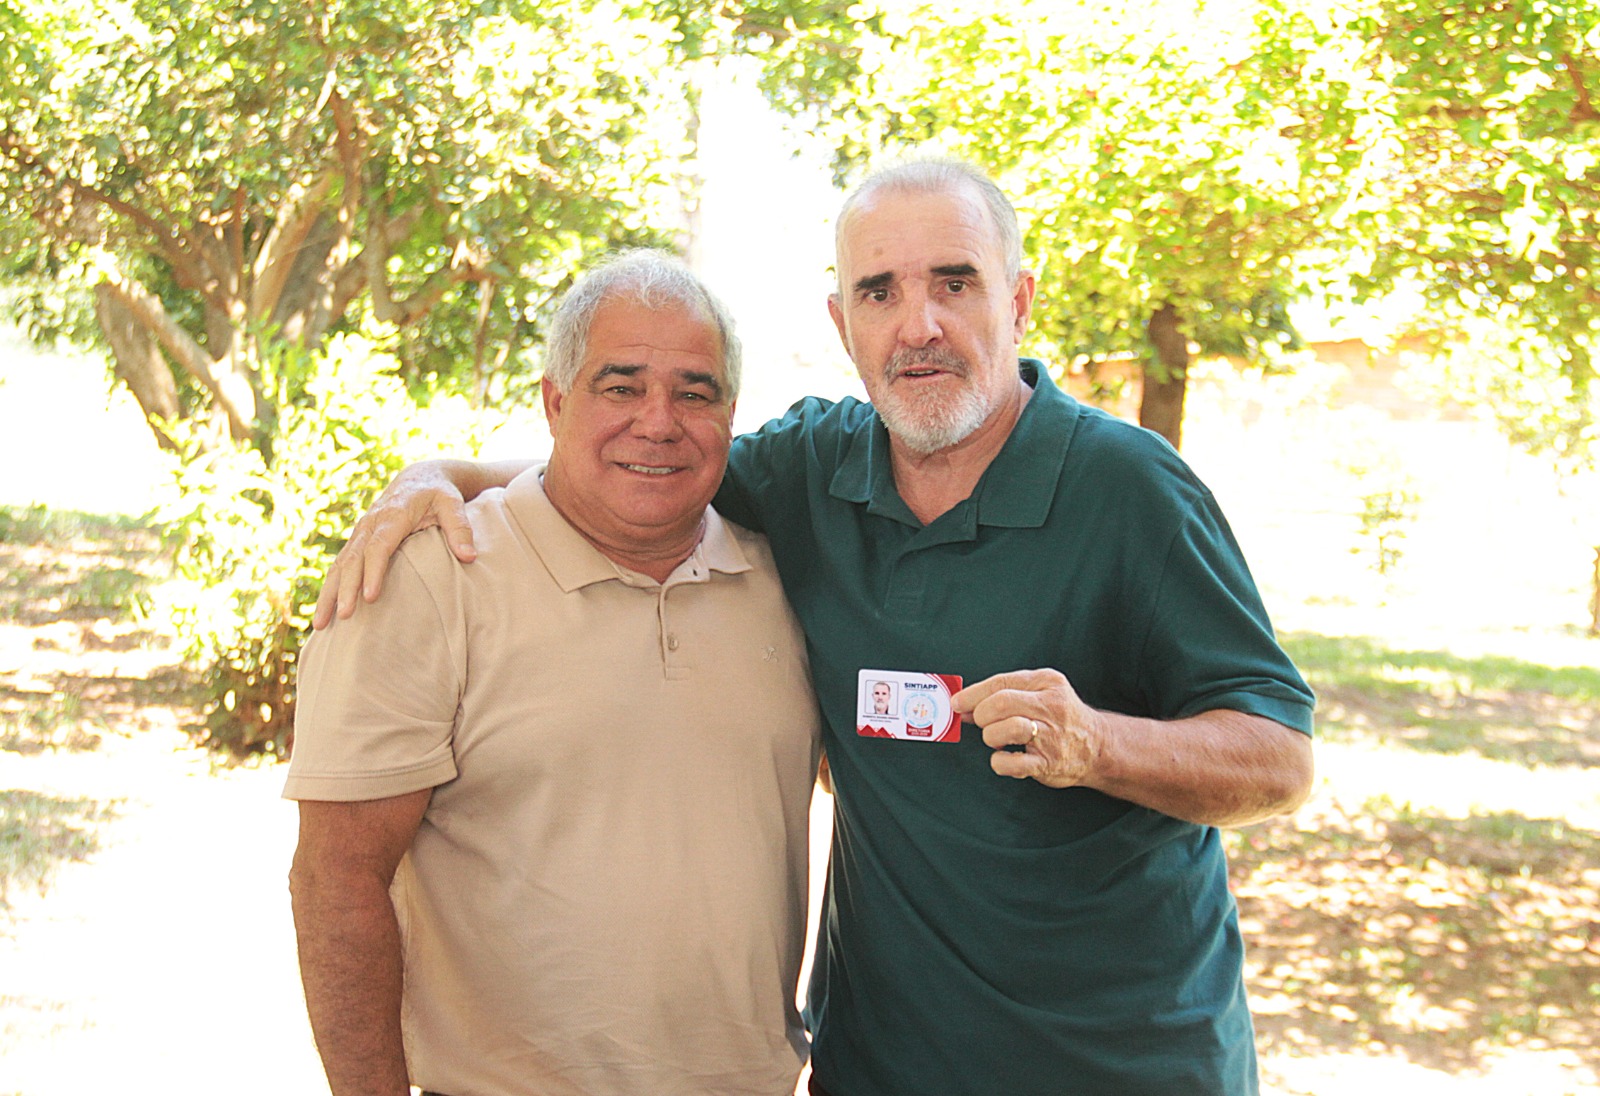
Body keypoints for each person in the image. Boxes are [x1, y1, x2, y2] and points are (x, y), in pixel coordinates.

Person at [317, 158, 1316, 1095]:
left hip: (1121, 1066)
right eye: (879, 291)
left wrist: (1098, 743)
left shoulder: (1130, 489)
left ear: (1016, 301)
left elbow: (1278, 756)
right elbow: (647, 458)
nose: (917, 324)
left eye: (955, 282)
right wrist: (440, 473)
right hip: (875, 1064)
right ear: (844, 324)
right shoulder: (811, 471)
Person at [285, 250, 821, 1096]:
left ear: (731, 414)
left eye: (695, 392)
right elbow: (335, 879)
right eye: (621, 386)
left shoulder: (789, 578)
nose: (659, 421)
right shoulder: (428, 578)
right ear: (555, 401)